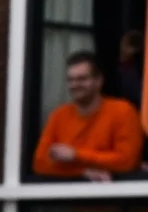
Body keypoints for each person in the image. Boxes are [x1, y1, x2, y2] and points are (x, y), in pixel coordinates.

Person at [32, 51, 139, 185]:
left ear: (99, 81)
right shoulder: (59, 115)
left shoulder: (122, 111)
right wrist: (82, 171)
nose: (75, 85)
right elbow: (40, 163)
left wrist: (76, 155)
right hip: (72, 201)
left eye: (82, 79)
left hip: (116, 199)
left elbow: (127, 161)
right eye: (71, 80)